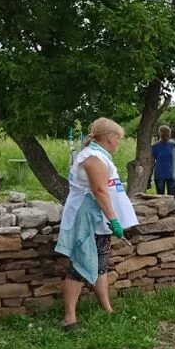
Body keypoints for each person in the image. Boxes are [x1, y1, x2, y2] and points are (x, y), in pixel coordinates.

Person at [56, 118, 138, 332]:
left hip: (96, 219)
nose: (118, 143)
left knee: (101, 263)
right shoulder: (92, 159)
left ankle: (106, 308)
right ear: (110, 137)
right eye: (118, 138)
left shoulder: (99, 156)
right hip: (86, 220)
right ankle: (69, 318)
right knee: (80, 265)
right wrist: (114, 220)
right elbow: (100, 191)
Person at [151, 125, 175, 195]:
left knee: (171, 196)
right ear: (160, 134)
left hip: (172, 175)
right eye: (163, 133)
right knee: (160, 196)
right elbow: (151, 162)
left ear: (170, 134)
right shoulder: (154, 147)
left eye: (167, 133)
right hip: (159, 175)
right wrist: (149, 177)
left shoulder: (174, 146)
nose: (166, 135)